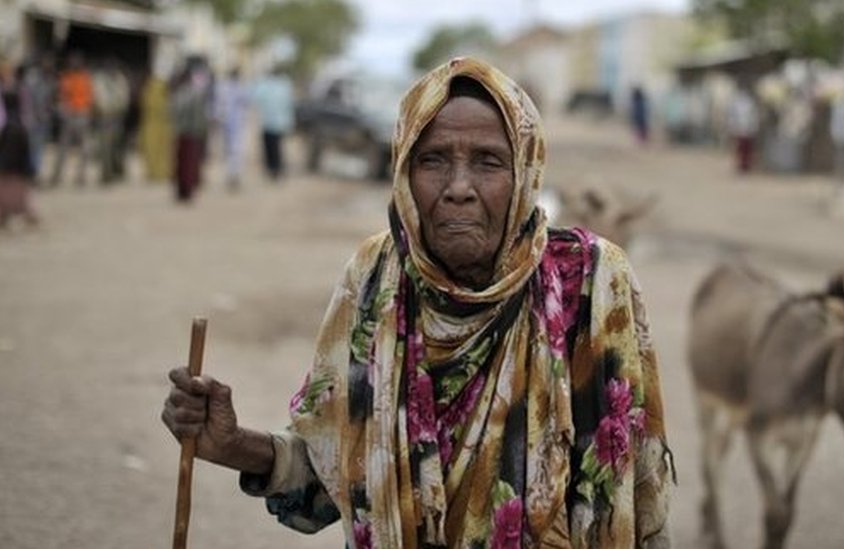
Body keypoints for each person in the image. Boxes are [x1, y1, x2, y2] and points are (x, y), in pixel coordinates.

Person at [161, 58, 674, 547]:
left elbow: (634, 490)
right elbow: (332, 472)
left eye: (489, 161)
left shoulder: (589, 282)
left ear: (527, 172)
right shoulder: (375, 278)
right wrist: (231, 445)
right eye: (432, 160)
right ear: (404, 169)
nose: (458, 189)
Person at [0, 66, 41, 228]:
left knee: (16, 173)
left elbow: (26, 112)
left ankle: (18, 209)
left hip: (15, 135)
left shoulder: (20, 89)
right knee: (7, 174)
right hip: (8, 135)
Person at [49, 52, 94, 187]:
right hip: (69, 115)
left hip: (82, 115)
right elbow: (60, 96)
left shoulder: (85, 77)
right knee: (63, 147)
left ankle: (81, 176)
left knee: (85, 148)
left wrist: (87, 111)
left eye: (77, 61)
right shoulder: (66, 77)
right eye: (72, 62)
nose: (75, 64)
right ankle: (56, 176)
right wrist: (64, 109)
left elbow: (90, 97)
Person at [169, 63, 209, 202]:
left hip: (189, 133)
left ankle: (185, 190)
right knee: (184, 164)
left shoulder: (187, 94)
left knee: (187, 164)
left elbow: (198, 115)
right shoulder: (183, 94)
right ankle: (183, 190)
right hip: (186, 133)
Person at [251, 66, 294, 181]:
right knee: (275, 148)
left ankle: (275, 169)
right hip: (272, 123)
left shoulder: (274, 85)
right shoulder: (281, 86)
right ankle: (274, 169)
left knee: (272, 148)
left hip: (271, 123)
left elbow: (288, 105)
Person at [92, 57, 130, 185]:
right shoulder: (99, 79)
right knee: (104, 146)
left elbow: (125, 97)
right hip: (104, 117)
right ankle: (105, 174)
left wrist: (121, 110)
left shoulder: (120, 79)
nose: (111, 69)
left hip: (117, 116)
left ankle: (117, 171)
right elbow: (97, 98)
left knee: (117, 146)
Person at [216, 67, 249, 190]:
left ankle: (234, 174)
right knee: (233, 150)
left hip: (235, 123)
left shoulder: (235, 88)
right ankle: (232, 174)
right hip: (230, 123)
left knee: (234, 150)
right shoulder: (226, 88)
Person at [138, 69, 173, 182]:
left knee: (160, 149)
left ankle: (159, 172)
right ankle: (154, 172)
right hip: (152, 123)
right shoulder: (151, 90)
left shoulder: (158, 91)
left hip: (159, 124)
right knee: (153, 148)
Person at [728, 83, 759, 174]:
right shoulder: (736, 102)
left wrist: (754, 127)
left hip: (748, 128)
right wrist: (732, 127)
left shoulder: (750, 102)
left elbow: (754, 115)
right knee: (741, 149)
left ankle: (746, 166)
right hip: (740, 128)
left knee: (747, 149)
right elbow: (732, 115)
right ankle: (741, 166)